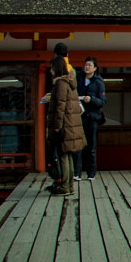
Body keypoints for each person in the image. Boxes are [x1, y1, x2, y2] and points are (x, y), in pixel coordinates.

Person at [46, 44, 86, 196]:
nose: (50, 71)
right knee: (67, 155)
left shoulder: (61, 83)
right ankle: (68, 186)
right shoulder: (71, 80)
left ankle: (64, 186)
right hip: (71, 124)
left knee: (63, 155)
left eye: (52, 67)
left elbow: (60, 106)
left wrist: (56, 126)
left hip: (64, 125)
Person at [78, 56, 105, 179]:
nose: (87, 67)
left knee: (91, 147)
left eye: (89, 65)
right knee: (78, 145)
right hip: (79, 115)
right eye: (85, 64)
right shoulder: (79, 78)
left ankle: (91, 173)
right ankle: (77, 172)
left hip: (92, 116)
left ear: (94, 68)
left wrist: (91, 99)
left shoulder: (98, 82)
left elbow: (102, 102)